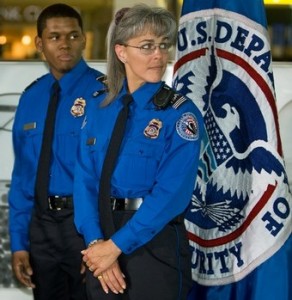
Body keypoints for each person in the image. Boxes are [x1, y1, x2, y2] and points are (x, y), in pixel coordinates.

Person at [73, 4, 204, 300]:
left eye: (162, 45)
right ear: (121, 52)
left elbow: (172, 194)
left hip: (153, 245)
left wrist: (115, 246)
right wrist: (97, 244)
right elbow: (84, 181)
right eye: (147, 47)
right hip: (101, 239)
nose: (159, 55)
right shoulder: (97, 106)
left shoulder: (179, 114)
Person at [8, 3, 106, 300]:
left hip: (85, 225)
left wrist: (98, 240)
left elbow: (111, 174)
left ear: (84, 39)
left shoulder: (106, 94)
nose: (65, 44)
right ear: (39, 43)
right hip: (41, 229)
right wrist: (19, 243)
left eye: (73, 36)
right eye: (54, 37)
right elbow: (23, 175)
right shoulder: (31, 97)